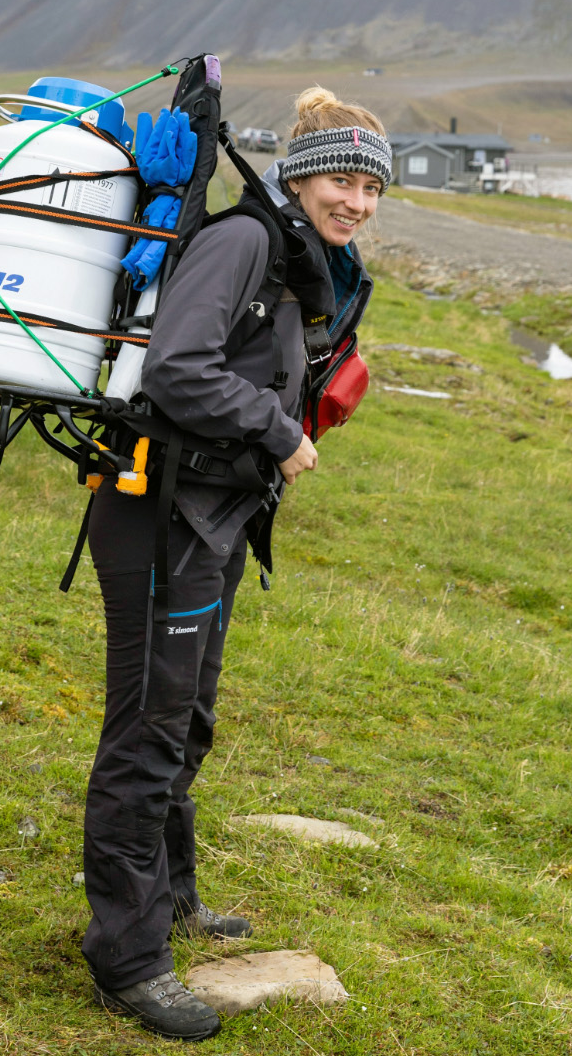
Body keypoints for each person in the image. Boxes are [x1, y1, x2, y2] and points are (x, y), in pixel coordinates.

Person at [82, 87, 393, 1041]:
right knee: (147, 733)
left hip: (209, 522)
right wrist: (277, 430)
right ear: (301, 175)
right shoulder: (245, 242)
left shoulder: (308, 259)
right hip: (157, 517)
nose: (359, 202)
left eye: (374, 187)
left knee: (188, 720)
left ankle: (171, 896)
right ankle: (128, 960)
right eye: (344, 178)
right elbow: (179, 366)